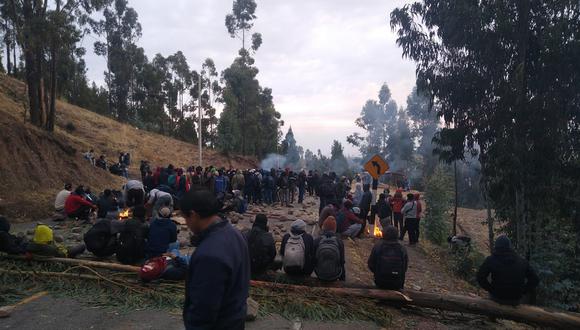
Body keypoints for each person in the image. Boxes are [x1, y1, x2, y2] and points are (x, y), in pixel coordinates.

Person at [181, 189, 250, 330]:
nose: (186, 223)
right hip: (236, 318)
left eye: (185, 218)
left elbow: (203, 310)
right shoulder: (235, 234)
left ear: (193, 215)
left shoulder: (209, 255)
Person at [477, 235, 539, 305]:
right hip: (515, 299)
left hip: (497, 298)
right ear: (510, 247)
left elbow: (480, 277)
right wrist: (523, 291)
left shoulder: (491, 259)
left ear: (496, 247)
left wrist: (491, 289)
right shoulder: (522, 261)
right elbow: (535, 279)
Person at [368, 225, 408, 290]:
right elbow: (405, 267)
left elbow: (371, 264)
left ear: (384, 234)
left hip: (380, 282)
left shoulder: (378, 246)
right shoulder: (402, 248)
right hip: (398, 283)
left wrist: (377, 273)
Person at [314, 217, 345, 282]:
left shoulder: (317, 241)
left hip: (319, 274)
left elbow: (313, 260)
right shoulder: (339, 242)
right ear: (335, 228)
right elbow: (342, 262)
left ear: (323, 227)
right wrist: (342, 280)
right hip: (335, 275)